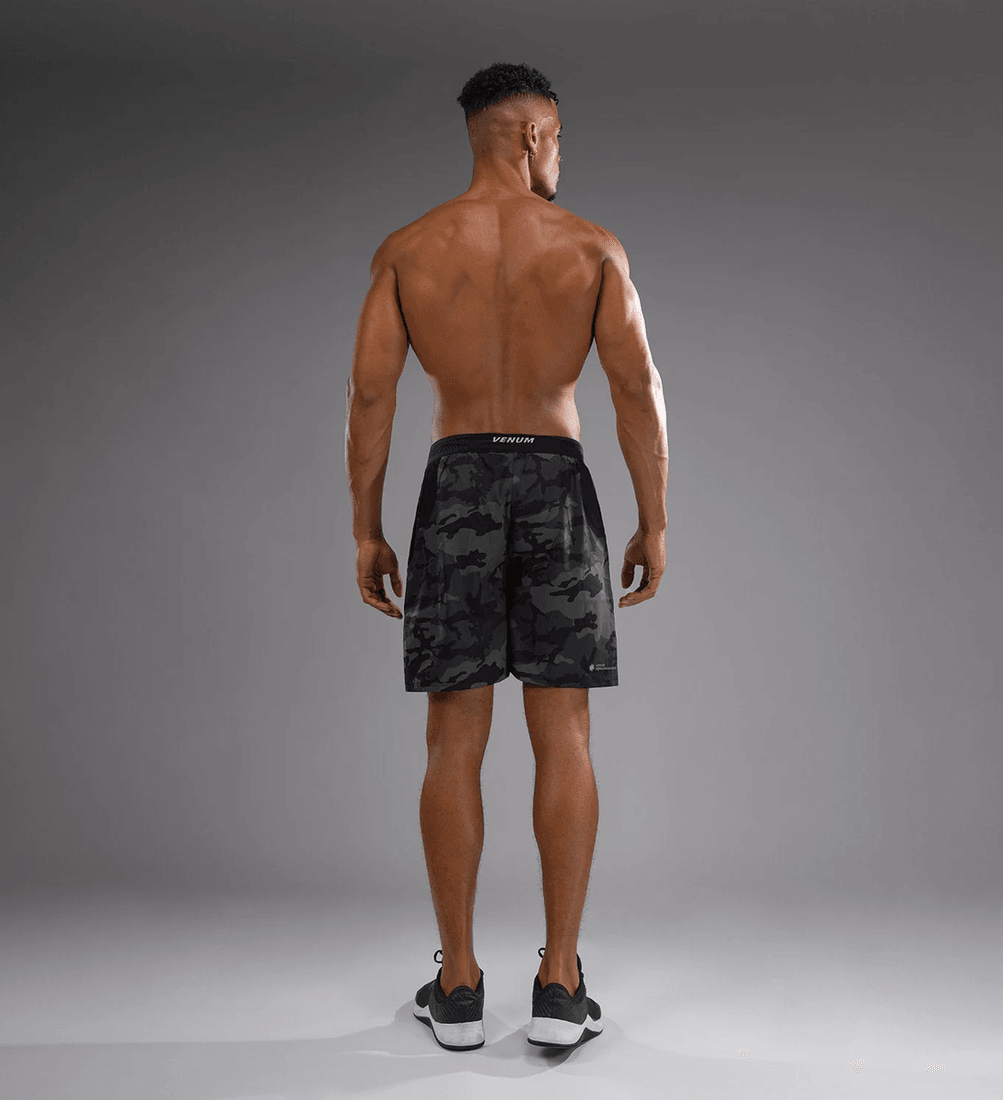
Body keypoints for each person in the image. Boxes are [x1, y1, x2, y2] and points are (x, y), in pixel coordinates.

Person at [344, 61, 668, 1052]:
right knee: (563, 736)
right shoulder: (591, 247)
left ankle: (457, 985)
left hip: (457, 485)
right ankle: (560, 983)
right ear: (531, 135)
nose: (561, 156)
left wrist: (365, 527)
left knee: (453, 741)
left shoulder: (408, 249)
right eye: (558, 139)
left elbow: (370, 397)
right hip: (556, 482)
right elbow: (635, 389)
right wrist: (654, 520)